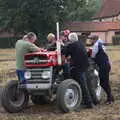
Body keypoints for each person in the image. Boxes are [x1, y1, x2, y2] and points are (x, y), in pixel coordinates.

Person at [62, 32, 95, 109]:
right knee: (83, 84)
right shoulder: (80, 44)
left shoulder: (71, 45)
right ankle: (85, 101)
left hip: (78, 67)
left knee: (81, 84)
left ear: (70, 39)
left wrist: (61, 45)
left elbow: (64, 52)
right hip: (84, 66)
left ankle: (88, 104)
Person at [89, 35, 114, 104]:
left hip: (104, 66)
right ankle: (110, 97)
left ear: (94, 39)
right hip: (106, 64)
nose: (90, 40)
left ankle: (110, 98)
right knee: (104, 82)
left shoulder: (96, 45)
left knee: (103, 82)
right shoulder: (100, 43)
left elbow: (93, 56)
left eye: (91, 39)